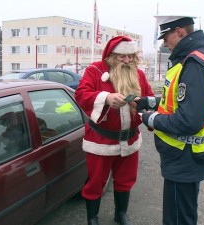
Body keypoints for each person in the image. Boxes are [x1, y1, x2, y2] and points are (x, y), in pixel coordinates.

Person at [136, 15, 204, 225]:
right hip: (190, 157)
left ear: (179, 32)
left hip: (185, 155)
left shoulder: (192, 64)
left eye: (165, 37)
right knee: (184, 214)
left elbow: (188, 121)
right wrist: (149, 102)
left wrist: (150, 119)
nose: (164, 44)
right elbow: (177, 101)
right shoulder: (201, 57)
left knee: (177, 219)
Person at [74, 36, 155, 225]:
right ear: (111, 56)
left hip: (130, 140)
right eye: (122, 57)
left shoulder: (139, 75)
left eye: (131, 56)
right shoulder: (94, 70)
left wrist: (145, 108)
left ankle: (121, 214)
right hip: (101, 141)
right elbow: (81, 94)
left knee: (125, 180)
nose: (127, 61)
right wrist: (106, 98)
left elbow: (149, 97)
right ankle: (92, 219)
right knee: (95, 183)